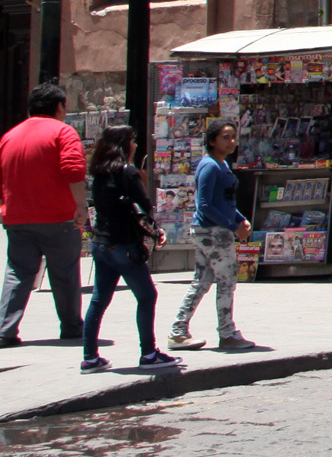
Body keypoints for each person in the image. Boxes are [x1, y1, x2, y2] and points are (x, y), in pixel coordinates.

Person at [81, 126, 177, 372]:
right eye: (133, 140)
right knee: (147, 296)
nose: (135, 145)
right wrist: (156, 231)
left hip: (102, 244)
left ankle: (90, 357)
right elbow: (144, 207)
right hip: (124, 245)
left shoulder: (99, 172)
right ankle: (148, 353)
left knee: (99, 300)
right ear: (125, 144)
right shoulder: (127, 172)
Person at [0, 84, 86, 347]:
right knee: (65, 273)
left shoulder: (10, 136)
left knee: (18, 272)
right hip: (58, 216)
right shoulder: (63, 132)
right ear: (60, 107)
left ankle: (5, 330)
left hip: (17, 216)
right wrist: (81, 206)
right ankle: (71, 326)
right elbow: (73, 170)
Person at [169, 121, 254, 351]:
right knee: (226, 280)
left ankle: (178, 330)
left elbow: (224, 201)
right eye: (226, 137)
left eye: (233, 137)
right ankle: (227, 332)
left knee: (203, 280)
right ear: (213, 140)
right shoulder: (209, 167)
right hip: (211, 232)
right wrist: (231, 225)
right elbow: (205, 204)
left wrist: (239, 219)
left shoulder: (222, 164)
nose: (232, 141)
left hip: (215, 230)